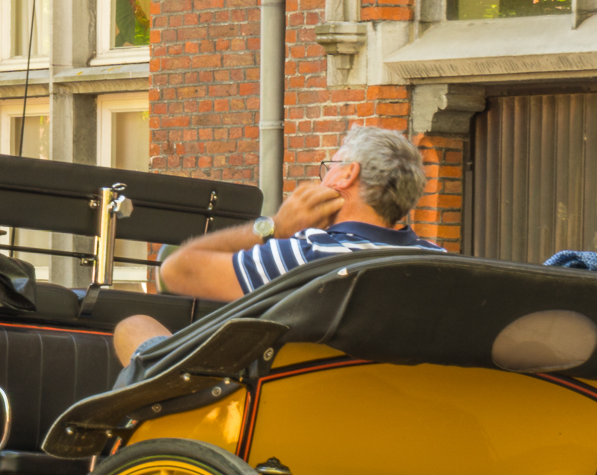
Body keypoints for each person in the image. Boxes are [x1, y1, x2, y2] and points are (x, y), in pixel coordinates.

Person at [112, 125, 445, 365]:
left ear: (346, 175)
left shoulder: (308, 255)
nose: (322, 179)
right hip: (406, 415)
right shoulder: (440, 262)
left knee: (134, 326)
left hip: (293, 409)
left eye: (329, 169)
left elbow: (174, 270)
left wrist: (277, 226)